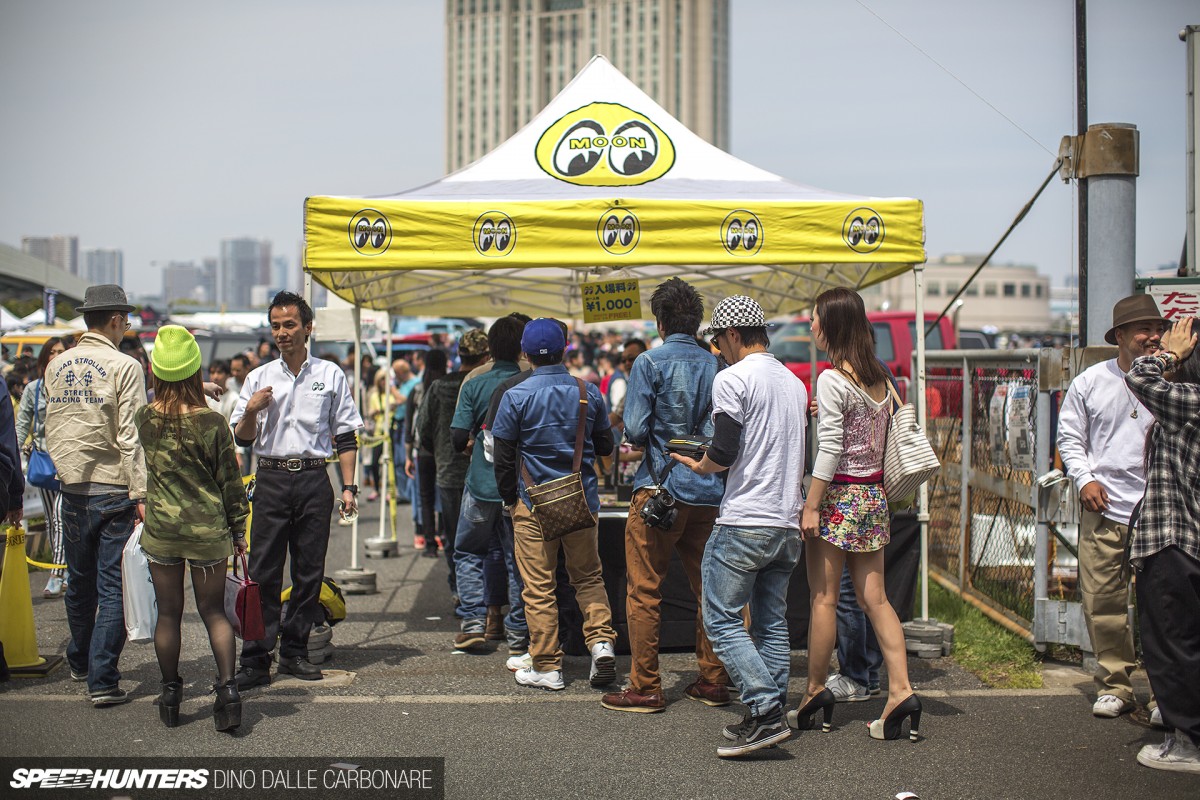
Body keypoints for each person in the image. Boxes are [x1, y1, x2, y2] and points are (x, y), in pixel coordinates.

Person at [670, 295, 807, 757]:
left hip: (745, 518)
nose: (717, 350)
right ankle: (770, 713)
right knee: (771, 622)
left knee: (721, 619)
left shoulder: (732, 378)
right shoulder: (794, 382)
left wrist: (699, 464)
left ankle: (765, 710)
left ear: (731, 334)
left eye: (717, 341)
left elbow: (724, 450)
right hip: (786, 520)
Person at [601, 278, 730, 714]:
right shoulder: (717, 364)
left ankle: (646, 686)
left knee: (644, 591)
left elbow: (635, 431)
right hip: (710, 492)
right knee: (710, 589)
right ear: (696, 321)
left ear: (659, 322)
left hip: (660, 491)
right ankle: (713, 679)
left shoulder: (648, 363)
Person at [799, 287, 919, 745]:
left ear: (832, 324)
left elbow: (830, 447)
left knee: (824, 599)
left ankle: (813, 693)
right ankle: (901, 692)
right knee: (877, 601)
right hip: (874, 498)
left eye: (814, 318)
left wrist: (811, 504)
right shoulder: (880, 379)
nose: (811, 326)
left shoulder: (832, 380)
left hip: (838, 499)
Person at [231, 291, 363, 689]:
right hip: (269, 477)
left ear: (308, 328)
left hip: (312, 478)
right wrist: (252, 409)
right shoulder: (259, 377)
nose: (282, 332)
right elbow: (243, 436)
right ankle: (256, 657)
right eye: (276, 326)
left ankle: (295, 651)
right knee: (264, 570)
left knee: (309, 571)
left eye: (290, 325)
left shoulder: (330, 374)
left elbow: (345, 435)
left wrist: (349, 488)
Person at [492, 318, 618, 691]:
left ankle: (547, 664)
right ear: (565, 350)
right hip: (581, 499)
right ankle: (601, 644)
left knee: (539, 585)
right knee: (588, 577)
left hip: (533, 504)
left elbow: (503, 458)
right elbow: (607, 446)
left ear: (526, 354)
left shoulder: (516, 396)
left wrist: (509, 498)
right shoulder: (588, 391)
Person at [1057, 293, 1166, 720]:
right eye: (1144, 329)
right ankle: (1115, 684)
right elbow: (1069, 436)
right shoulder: (1090, 381)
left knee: (1162, 604)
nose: (1153, 337)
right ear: (1120, 336)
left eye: (1158, 328)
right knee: (1103, 599)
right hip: (1104, 505)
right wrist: (1084, 477)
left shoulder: (1172, 378)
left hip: (1161, 507)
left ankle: (1165, 693)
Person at [135, 326, 249, 731]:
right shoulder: (213, 422)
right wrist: (239, 530)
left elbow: (157, 399)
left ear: (156, 371)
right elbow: (229, 483)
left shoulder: (145, 418)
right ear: (194, 369)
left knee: (168, 614)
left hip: (162, 529)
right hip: (208, 531)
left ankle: (170, 695)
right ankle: (228, 693)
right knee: (214, 613)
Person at [44, 284, 147, 706]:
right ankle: (102, 678)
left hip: (71, 488)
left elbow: (56, 426)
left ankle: (81, 661)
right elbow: (131, 436)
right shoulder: (125, 366)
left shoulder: (56, 366)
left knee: (79, 582)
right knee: (111, 587)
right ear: (116, 320)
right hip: (113, 488)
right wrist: (141, 491)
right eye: (125, 320)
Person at [1126, 317, 1200, 773]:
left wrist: (1170, 353)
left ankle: (1186, 742)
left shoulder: (1190, 401)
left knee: (1171, 643)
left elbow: (1138, 375)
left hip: (1173, 538)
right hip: (1188, 540)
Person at [449, 318, 528, 658]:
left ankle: (472, 624)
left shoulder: (474, 380)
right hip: (523, 486)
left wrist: (474, 441)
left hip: (482, 482)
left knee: (469, 552)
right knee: (519, 560)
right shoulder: (531, 378)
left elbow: (456, 438)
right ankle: (519, 633)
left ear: (489, 348)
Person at [419, 331, 490, 598]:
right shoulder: (486, 385)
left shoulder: (438, 387)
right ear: (486, 356)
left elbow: (423, 430)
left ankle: (459, 589)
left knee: (454, 538)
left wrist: (441, 450)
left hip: (448, 471)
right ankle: (486, 593)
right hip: (485, 473)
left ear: (459, 355)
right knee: (487, 540)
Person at [15, 337, 68, 598]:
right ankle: (66, 570)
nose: (57, 356)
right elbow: (22, 424)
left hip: (69, 463)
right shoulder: (34, 389)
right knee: (52, 519)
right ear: (44, 356)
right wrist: (16, 454)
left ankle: (57, 573)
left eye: (62, 352)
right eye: (53, 352)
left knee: (60, 517)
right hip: (44, 461)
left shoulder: (72, 386)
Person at [406, 351, 448, 556]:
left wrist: (407, 454)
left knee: (426, 498)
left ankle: (430, 542)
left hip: (423, 450)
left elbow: (410, 426)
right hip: (446, 450)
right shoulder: (449, 388)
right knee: (447, 495)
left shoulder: (418, 389)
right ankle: (445, 537)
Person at [363, 370, 390, 502]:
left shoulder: (392, 393)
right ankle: (376, 489)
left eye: (386, 379)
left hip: (392, 432)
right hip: (379, 433)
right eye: (382, 379)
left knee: (391, 463)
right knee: (374, 463)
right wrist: (375, 411)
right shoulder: (375, 396)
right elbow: (370, 413)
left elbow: (400, 402)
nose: (384, 382)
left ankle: (390, 490)